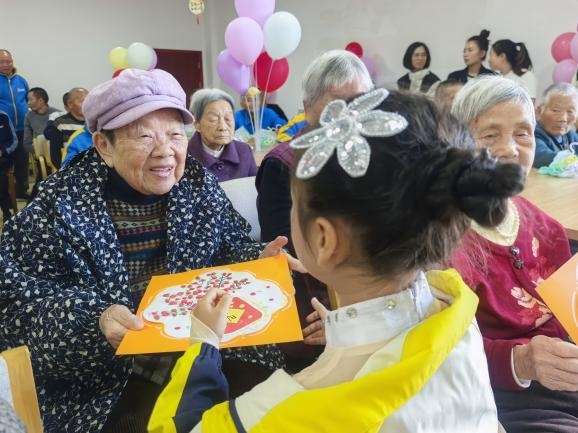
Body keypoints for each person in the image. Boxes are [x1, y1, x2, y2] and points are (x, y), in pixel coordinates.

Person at [148, 87, 526, 432]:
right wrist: (345, 328)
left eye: (296, 205)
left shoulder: (281, 413)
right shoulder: (458, 314)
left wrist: (204, 343)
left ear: (324, 240)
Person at [0, 68, 300, 433]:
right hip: (108, 380)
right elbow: (16, 309)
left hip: (207, 347)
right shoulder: (57, 205)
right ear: (104, 145)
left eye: (175, 134)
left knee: (274, 408)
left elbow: (227, 245)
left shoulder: (197, 184)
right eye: (144, 136)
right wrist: (95, 322)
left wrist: (256, 261)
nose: (165, 152)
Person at [450, 75, 578, 432]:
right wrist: (520, 361)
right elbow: (435, 353)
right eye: (490, 136)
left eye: (522, 134)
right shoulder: (438, 241)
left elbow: (569, 316)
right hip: (496, 397)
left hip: (565, 378)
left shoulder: (548, 229)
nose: (509, 150)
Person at [256, 49, 373, 370]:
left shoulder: (370, 156)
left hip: (369, 304)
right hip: (314, 306)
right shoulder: (282, 165)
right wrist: (342, 317)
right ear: (308, 110)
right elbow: (290, 252)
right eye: (336, 104)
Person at [187, 88, 257, 182]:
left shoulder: (244, 151)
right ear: (197, 124)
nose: (223, 127)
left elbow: (254, 187)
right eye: (213, 119)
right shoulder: (184, 156)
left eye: (228, 118)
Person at [0, 49, 29, 199]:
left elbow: (28, 100)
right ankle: (4, 194)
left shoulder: (21, 80)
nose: (6, 64)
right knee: (5, 163)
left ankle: (21, 191)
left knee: (22, 161)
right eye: (2, 62)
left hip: (23, 128)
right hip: (4, 132)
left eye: (9, 61)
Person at [533, 83, 578, 167]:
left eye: (570, 111)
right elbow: (541, 157)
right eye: (556, 110)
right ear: (538, 112)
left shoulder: (571, 136)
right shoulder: (534, 134)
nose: (563, 119)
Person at [43, 87, 88, 169]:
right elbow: (55, 156)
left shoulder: (96, 121)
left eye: (89, 100)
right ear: (70, 104)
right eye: (82, 101)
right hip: (71, 168)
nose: (87, 104)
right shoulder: (59, 124)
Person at [23, 87, 60, 154]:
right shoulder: (28, 116)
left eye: (30, 99)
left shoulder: (58, 114)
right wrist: (39, 154)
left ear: (40, 100)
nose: (28, 103)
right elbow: (27, 143)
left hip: (58, 152)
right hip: (40, 154)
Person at [0, 109, 18, 220]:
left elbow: (14, 141)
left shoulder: (3, 116)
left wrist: (3, 151)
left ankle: (6, 210)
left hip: (2, 158)